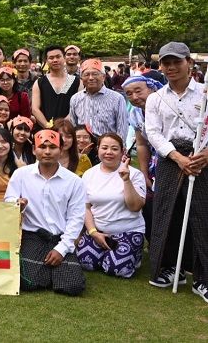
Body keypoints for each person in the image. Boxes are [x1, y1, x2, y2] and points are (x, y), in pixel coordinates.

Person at [145, 42, 208, 300]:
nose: (171, 67)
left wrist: (204, 155)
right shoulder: (155, 98)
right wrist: (177, 157)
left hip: (201, 159)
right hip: (171, 160)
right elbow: (153, 132)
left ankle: (202, 278)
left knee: (201, 216)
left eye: (176, 62)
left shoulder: (205, 94)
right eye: (166, 63)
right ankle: (171, 268)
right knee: (168, 215)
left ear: (189, 63)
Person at [4, 129, 87, 296]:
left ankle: (54, 269)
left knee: (73, 286)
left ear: (61, 149)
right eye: (42, 147)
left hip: (60, 236)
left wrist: (62, 249)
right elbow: (8, 201)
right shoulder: (21, 175)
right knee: (28, 282)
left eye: (52, 147)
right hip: (32, 236)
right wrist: (18, 205)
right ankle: (47, 272)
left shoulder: (74, 182)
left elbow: (76, 218)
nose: (47, 151)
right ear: (34, 150)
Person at [76, 133, 146, 279]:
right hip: (99, 230)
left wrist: (126, 180)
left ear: (122, 151)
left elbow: (135, 206)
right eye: (104, 148)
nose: (109, 152)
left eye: (114, 149)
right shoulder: (89, 174)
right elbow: (86, 207)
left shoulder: (134, 174)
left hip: (128, 230)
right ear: (98, 149)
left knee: (116, 269)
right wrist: (93, 232)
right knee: (85, 262)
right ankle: (107, 254)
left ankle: (133, 255)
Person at [123, 75, 163, 238]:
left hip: (173, 160)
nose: (134, 97)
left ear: (152, 88)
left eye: (138, 91)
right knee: (153, 202)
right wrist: (144, 172)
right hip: (154, 163)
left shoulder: (165, 106)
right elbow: (141, 144)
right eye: (129, 94)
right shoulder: (136, 114)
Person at [69, 58, 129, 143]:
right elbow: (73, 126)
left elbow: (122, 128)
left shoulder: (117, 98)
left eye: (95, 74)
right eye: (86, 74)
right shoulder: (75, 99)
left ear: (103, 77)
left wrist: (119, 148)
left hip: (107, 149)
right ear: (81, 78)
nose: (91, 78)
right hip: (83, 149)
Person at [31, 45, 81, 129]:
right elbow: (35, 109)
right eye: (51, 58)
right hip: (45, 132)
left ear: (64, 58)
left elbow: (78, 107)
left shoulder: (77, 81)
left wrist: (62, 127)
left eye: (58, 57)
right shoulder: (40, 82)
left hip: (68, 131)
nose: (55, 60)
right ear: (46, 61)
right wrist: (48, 126)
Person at [0, 128, 18, 201]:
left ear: (10, 144)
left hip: (12, 207)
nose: (0, 146)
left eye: (4, 142)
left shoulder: (19, 166)